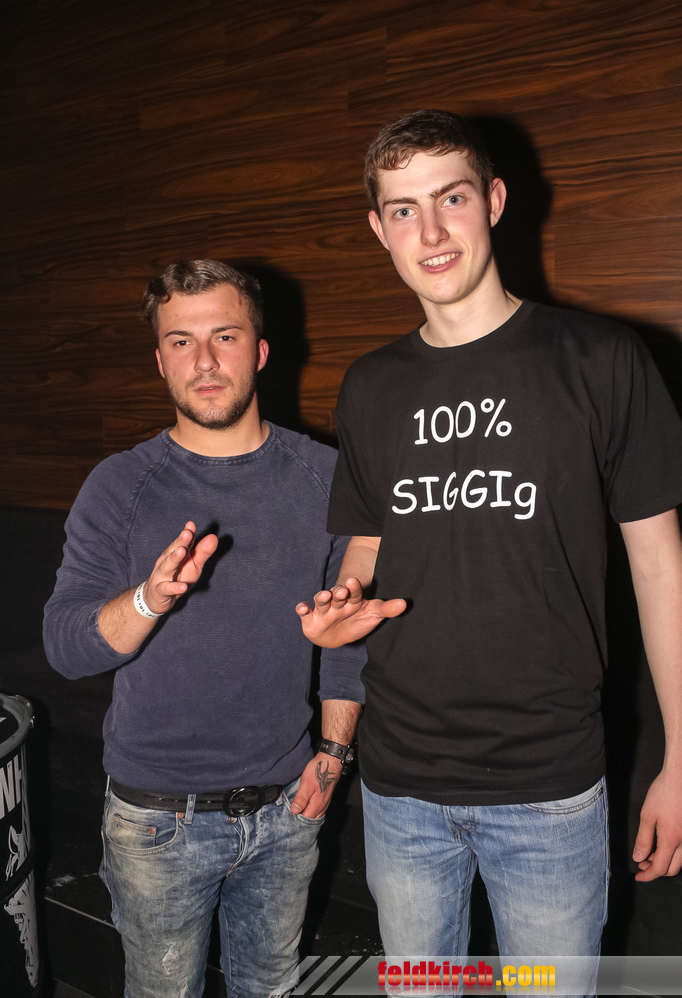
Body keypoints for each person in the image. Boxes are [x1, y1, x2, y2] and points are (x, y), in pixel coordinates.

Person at [296, 110, 682, 991]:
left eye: (452, 199)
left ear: (495, 201)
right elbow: (369, 538)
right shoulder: (370, 385)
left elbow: (661, 566)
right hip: (399, 787)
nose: (430, 232)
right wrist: (342, 606)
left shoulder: (600, 358)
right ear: (378, 229)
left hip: (548, 789)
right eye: (404, 210)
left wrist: (680, 758)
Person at [43, 259, 365, 998]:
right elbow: (64, 647)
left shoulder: (327, 476)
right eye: (181, 341)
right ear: (160, 360)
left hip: (288, 808)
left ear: (261, 350)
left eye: (225, 335)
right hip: (158, 822)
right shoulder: (119, 485)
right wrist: (148, 600)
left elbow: (350, 636)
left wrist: (333, 755)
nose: (206, 360)